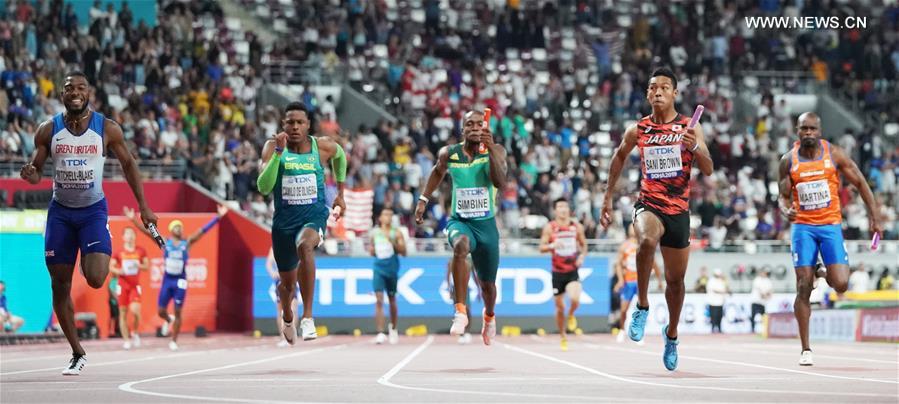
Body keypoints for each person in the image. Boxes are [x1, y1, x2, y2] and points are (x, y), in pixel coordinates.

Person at [19, 71, 159, 375]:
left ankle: (87, 253)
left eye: (80, 88)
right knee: (59, 285)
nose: (75, 93)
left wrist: (144, 207)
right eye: (69, 88)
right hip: (60, 213)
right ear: (62, 94)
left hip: (93, 211)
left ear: (89, 92)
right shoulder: (48, 130)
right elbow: (36, 171)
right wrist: (30, 174)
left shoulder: (107, 129)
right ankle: (77, 351)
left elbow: (128, 164)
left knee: (96, 278)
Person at [600, 67, 714, 371]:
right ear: (648, 94)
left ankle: (672, 335)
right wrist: (607, 195)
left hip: (679, 211)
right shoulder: (638, 129)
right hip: (649, 203)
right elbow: (619, 157)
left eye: (665, 87)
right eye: (653, 88)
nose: (658, 92)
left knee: (676, 283)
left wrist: (694, 145)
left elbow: (708, 168)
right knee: (647, 239)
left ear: (675, 93)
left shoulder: (689, 128)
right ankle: (641, 305)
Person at [778, 112, 882, 366]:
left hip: (830, 226)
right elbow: (782, 196)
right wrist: (786, 209)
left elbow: (860, 182)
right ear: (797, 131)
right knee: (803, 286)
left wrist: (875, 217)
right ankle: (806, 349)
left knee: (842, 283)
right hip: (803, 227)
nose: (809, 133)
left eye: (813, 128)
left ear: (820, 130)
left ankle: (821, 271)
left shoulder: (834, 154)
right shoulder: (788, 160)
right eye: (804, 129)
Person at [256, 102, 347, 344]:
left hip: (313, 216)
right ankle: (288, 316)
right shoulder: (272, 147)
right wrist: (278, 153)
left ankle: (307, 317)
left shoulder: (322, 146)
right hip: (284, 223)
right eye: (290, 122)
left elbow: (340, 155)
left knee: (305, 246)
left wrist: (340, 193)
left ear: (308, 125)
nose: (295, 127)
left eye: (300, 122)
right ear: (283, 125)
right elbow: (264, 187)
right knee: (285, 287)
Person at [415, 109, 507, 345]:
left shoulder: (495, 151)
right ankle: (460, 311)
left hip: (486, 225)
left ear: (485, 128)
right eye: (470, 124)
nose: (475, 128)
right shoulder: (449, 153)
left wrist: (492, 149)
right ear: (463, 128)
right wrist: (423, 200)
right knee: (460, 246)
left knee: (488, 287)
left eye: (479, 124)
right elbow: (437, 172)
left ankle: (489, 316)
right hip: (460, 221)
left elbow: (500, 182)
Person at [124, 205, 227, 351]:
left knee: (178, 311)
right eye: (176, 226)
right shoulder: (165, 243)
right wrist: (133, 220)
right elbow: (149, 233)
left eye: (180, 227)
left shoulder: (187, 243)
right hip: (167, 280)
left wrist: (218, 216)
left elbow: (202, 231)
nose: (179, 228)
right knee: (160, 311)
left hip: (180, 281)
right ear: (171, 230)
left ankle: (174, 340)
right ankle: (168, 319)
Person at [538, 198, 588, 351]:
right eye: (559, 206)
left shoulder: (576, 227)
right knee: (560, 308)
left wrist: (581, 257)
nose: (563, 209)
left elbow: (584, 245)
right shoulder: (550, 227)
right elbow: (541, 247)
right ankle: (562, 335)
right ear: (555, 210)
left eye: (565, 206)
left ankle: (572, 314)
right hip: (557, 272)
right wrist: (553, 245)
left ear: (569, 209)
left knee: (575, 299)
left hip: (572, 270)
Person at [613, 225, 663, 343]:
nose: (633, 229)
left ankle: (640, 334)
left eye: (636, 227)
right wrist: (620, 279)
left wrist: (660, 281)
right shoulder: (624, 246)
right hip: (629, 282)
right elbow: (618, 265)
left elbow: (654, 264)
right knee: (624, 309)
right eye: (631, 227)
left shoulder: (645, 244)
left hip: (642, 281)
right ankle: (622, 330)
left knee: (641, 309)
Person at [369, 207, 406, 345]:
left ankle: (394, 328)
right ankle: (380, 332)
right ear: (380, 218)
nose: (388, 217)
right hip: (378, 268)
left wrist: (393, 243)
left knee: (392, 300)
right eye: (385, 214)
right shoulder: (375, 233)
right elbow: (372, 251)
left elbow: (404, 252)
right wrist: (372, 250)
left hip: (392, 269)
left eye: (390, 215)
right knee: (378, 300)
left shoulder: (396, 233)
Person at [109, 227, 149, 350]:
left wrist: (140, 265)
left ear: (135, 236)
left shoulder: (140, 251)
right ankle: (126, 340)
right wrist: (118, 270)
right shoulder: (118, 252)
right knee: (123, 312)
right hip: (122, 285)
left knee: (136, 312)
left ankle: (135, 332)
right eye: (127, 234)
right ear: (123, 237)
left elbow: (146, 266)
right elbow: (111, 267)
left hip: (135, 286)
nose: (130, 236)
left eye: (132, 234)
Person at [266, 247, 299, 348]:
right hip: (280, 281)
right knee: (280, 310)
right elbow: (268, 264)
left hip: (292, 280)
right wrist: (273, 273)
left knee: (293, 308)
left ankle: (291, 335)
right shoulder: (274, 247)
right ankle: (283, 336)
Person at [749, 269, 773, 333]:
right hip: (756, 301)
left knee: (763, 316)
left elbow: (769, 291)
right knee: (753, 315)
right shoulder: (757, 280)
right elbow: (758, 289)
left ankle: (764, 329)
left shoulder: (768, 281)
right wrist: (764, 295)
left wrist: (767, 295)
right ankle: (752, 328)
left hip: (763, 302)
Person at [706, 269, 729, 333]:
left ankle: (719, 328)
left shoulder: (721, 281)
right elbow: (714, 289)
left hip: (720, 302)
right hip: (713, 302)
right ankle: (713, 328)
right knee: (713, 316)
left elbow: (726, 288)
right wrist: (722, 291)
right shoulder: (711, 281)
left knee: (720, 316)